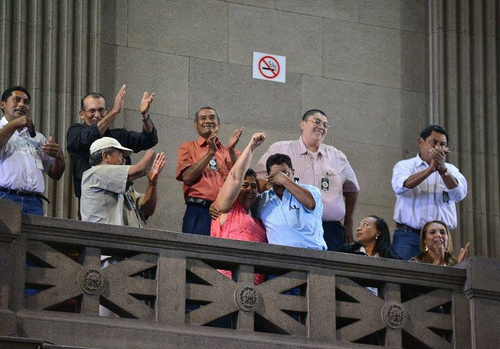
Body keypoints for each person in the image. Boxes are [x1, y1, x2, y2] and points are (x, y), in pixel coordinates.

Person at [255, 109, 359, 252]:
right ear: (302, 124)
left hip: (331, 228)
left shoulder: (337, 156)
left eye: (325, 125)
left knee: (327, 272)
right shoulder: (281, 148)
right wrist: (276, 205)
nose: (321, 126)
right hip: (290, 229)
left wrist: (349, 222)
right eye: (316, 121)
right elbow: (259, 179)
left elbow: (352, 189)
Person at [67, 85, 158, 207]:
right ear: (82, 114)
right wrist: (114, 111)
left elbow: (148, 139)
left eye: (101, 110)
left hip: (122, 197)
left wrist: (145, 116)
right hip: (93, 199)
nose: (97, 115)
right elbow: (87, 138)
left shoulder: (118, 135)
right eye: (92, 111)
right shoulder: (75, 132)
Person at [392, 125, 468, 260]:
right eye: (434, 142)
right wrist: (430, 170)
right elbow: (400, 187)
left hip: (440, 239)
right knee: (403, 278)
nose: (438, 148)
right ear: (421, 142)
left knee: (438, 279)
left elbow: (460, 194)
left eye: (442, 144)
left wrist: (443, 170)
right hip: (409, 236)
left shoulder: (451, 170)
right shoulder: (405, 166)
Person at [211, 132, 267, 284]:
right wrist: (252, 147)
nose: (250, 189)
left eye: (254, 186)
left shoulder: (260, 221)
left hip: (258, 288)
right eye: (245, 185)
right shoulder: (226, 208)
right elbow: (236, 176)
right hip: (228, 282)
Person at [176, 106, 242, 236]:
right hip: (199, 211)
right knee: (195, 253)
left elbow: (239, 179)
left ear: (219, 123)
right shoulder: (188, 147)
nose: (208, 121)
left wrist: (232, 151)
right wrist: (210, 152)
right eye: (203, 118)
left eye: (212, 117)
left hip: (226, 212)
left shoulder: (230, 151)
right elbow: (188, 178)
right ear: (196, 124)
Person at [0, 86, 65, 215]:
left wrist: (59, 157)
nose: (21, 105)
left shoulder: (37, 137)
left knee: (35, 236)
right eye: (16, 100)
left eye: (26, 102)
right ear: (2, 105)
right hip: (5, 197)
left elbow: (55, 174)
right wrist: (14, 124)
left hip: (34, 201)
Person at [80, 137, 165, 227]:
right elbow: (140, 170)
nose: (124, 160)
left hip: (124, 238)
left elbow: (148, 210)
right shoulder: (95, 173)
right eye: (120, 154)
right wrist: (152, 152)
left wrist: (152, 182)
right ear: (105, 156)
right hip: (104, 238)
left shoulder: (120, 185)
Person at [254, 153, 327, 251]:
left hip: (312, 256)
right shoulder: (262, 200)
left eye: (286, 173)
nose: (280, 180)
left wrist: (285, 181)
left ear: (293, 172)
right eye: (276, 176)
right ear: (269, 177)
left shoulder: (311, 191)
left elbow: (311, 204)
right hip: (278, 259)